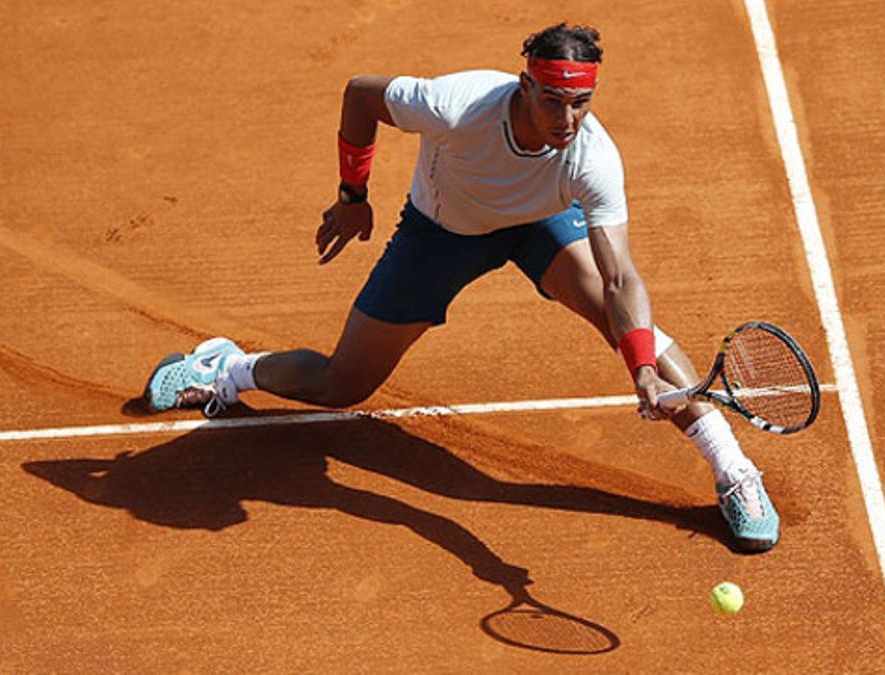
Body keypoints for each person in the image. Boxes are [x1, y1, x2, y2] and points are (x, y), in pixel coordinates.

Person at [143, 23, 779, 551]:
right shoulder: (456, 104)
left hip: (539, 226)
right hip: (440, 234)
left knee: (630, 329)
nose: (568, 118)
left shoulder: (593, 155)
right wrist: (352, 195)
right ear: (525, 84)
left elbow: (620, 276)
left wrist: (641, 367)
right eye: (553, 100)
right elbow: (360, 95)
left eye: (580, 103)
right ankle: (227, 369)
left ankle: (734, 470)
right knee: (343, 384)